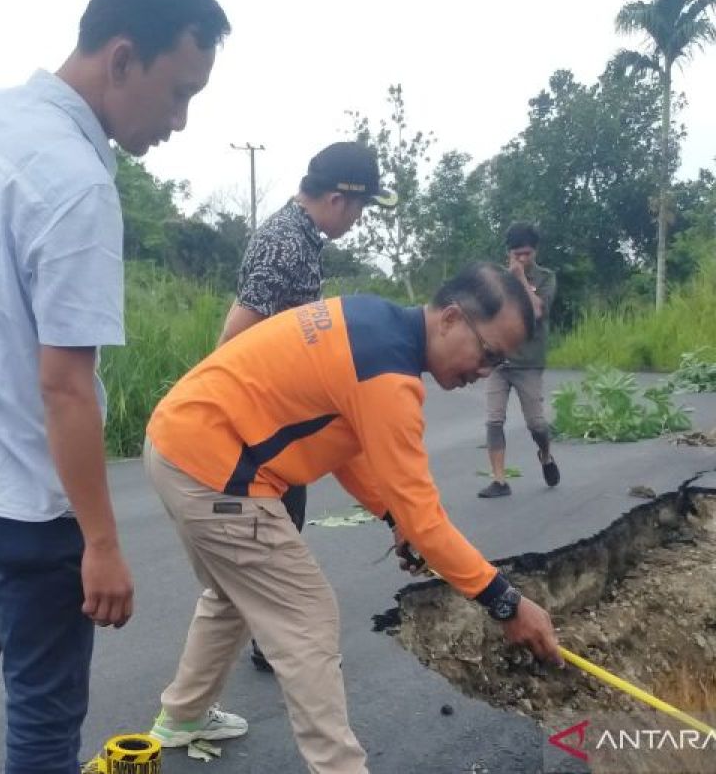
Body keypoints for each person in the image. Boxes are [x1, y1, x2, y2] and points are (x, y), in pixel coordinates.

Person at [0, 0, 230, 772]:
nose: (180, 120)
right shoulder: (77, 183)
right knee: (43, 717)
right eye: (178, 92)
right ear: (121, 59)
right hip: (26, 504)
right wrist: (102, 544)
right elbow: (65, 385)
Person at [145, 263, 563, 773]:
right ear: (452, 318)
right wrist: (506, 602)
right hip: (216, 471)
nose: (485, 372)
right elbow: (427, 520)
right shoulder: (388, 377)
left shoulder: (371, 321)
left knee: (233, 592)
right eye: (488, 354)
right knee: (307, 615)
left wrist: (392, 515)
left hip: (177, 443)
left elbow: (346, 445)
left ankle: (182, 716)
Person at [219, 140, 397, 672]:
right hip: (264, 423)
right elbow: (235, 339)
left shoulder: (300, 238)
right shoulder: (284, 245)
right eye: (362, 207)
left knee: (269, 543)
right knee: (275, 544)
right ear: (341, 198)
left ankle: (259, 645)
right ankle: (278, 647)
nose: (360, 219)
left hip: (279, 417)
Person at [478, 222, 560, 498]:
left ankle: (546, 455)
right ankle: (499, 480)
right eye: (517, 254)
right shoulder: (497, 280)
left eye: (527, 254)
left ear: (535, 252)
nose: (523, 259)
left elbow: (537, 311)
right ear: (509, 253)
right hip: (499, 361)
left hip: (529, 361)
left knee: (536, 423)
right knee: (493, 420)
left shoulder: (546, 278)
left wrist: (521, 278)